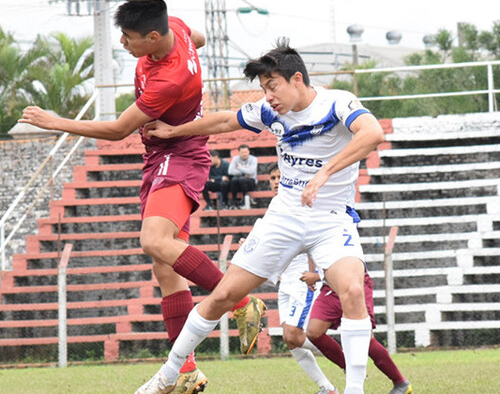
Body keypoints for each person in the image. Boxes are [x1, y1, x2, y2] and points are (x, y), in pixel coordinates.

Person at [19, 0, 265, 394]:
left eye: (129, 38)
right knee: (165, 265)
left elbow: (117, 131)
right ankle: (185, 370)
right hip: (160, 156)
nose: (122, 42)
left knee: (153, 241)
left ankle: (239, 301)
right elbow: (195, 38)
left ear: (152, 37)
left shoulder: (170, 79)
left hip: (178, 154)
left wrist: (56, 122)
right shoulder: (178, 27)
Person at [139, 37, 385, 394]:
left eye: (273, 87)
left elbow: (372, 132)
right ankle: (169, 373)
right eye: (264, 89)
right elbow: (225, 122)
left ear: (297, 79)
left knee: (351, 291)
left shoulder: (338, 103)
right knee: (223, 296)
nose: (268, 96)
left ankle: (354, 391)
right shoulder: (271, 112)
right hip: (284, 217)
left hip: (331, 218)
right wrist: (175, 131)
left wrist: (324, 173)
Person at [267, 163, 339, 394]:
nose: (276, 181)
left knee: (296, 336)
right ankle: (326, 387)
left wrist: (314, 276)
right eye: (272, 177)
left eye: (279, 176)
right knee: (291, 341)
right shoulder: (275, 205)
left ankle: (348, 357)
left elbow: (310, 242)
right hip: (285, 282)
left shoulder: (300, 201)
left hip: (301, 280)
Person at [300, 271, 413, 394]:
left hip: (355, 284)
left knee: (365, 339)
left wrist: (317, 277)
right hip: (330, 287)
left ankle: (400, 383)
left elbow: (349, 262)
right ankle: (349, 369)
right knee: (314, 332)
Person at [228, 144, 257, 209]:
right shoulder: (236, 158)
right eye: (242, 152)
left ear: (249, 152)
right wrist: (244, 172)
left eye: (246, 152)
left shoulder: (253, 159)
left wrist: (239, 168)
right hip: (238, 182)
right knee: (234, 180)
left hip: (251, 181)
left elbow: (251, 172)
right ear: (239, 153)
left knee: (241, 179)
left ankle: (246, 201)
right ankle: (234, 202)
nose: (244, 154)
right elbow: (230, 171)